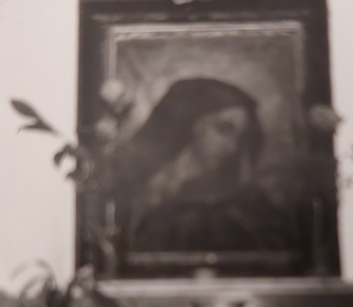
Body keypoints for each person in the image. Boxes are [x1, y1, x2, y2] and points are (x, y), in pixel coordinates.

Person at [108, 78, 295, 254]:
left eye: (239, 136)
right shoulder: (139, 185)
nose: (232, 147)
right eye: (224, 129)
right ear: (195, 124)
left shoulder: (241, 199)